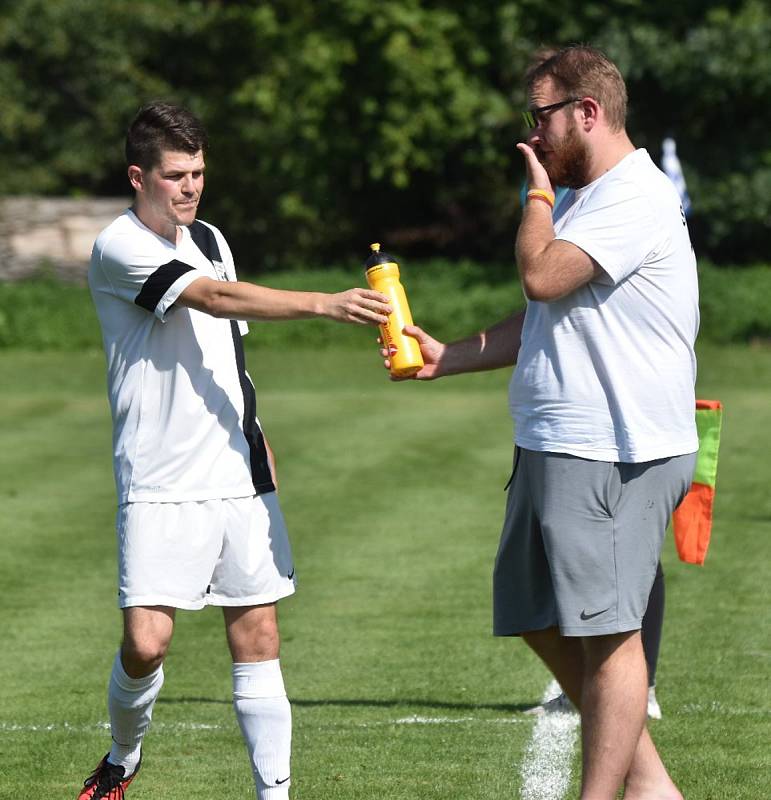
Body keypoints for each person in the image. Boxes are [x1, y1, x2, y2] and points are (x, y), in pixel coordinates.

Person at [384, 45, 698, 799]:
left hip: (617, 450)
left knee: (609, 635)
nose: (531, 137)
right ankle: (651, 786)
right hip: (557, 444)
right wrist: (447, 356)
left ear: (586, 113)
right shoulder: (588, 196)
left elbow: (540, 274)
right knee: (532, 612)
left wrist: (534, 199)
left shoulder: (630, 195)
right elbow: (543, 315)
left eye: (541, 117)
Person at [80, 102, 391, 800]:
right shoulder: (118, 247)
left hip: (236, 469)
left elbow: (228, 360)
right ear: (138, 176)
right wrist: (323, 303)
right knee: (147, 644)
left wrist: (263, 451)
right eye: (174, 175)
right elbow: (215, 300)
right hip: (159, 479)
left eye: (198, 173)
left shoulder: (212, 235)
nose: (190, 187)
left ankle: (273, 795)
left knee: (256, 635)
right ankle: (123, 756)